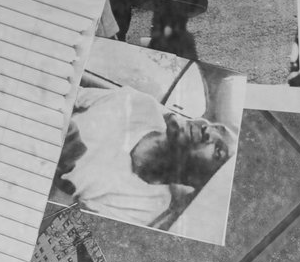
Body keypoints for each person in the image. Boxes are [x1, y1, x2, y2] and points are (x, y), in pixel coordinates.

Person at [55, 83, 237, 227]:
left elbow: (62, 215)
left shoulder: (146, 208)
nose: (207, 129)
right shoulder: (142, 105)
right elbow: (65, 94)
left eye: (218, 151)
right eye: (216, 127)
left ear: (199, 181)